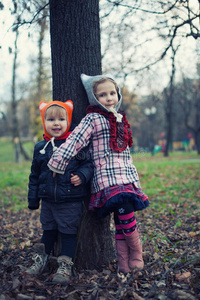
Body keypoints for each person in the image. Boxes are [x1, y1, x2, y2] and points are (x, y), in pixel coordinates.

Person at [48, 74, 149, 274]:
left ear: (118, 94)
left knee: (121, 219)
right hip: (107, 178)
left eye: (112, 93)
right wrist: (57, 162)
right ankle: (136, 251)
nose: (109, 98)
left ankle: (123, 262)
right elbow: (75, 140)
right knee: (124, 210)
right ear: (94, 99)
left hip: (126, 176)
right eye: (102, 95)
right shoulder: (92, 118)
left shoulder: (120, 117)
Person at [26, 100, 93, 283]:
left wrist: (81, 175)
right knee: (48, 231)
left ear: (68, 121)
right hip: (47, 201)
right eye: (51, 119)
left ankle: (65, 266)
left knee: (67, 233)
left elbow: (88, 164)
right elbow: (35, 175)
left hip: (70, 199)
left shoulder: (75, 144)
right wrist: (33, 199)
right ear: (44, 122)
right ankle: (41, 260)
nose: (56, 123)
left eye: (61, 119)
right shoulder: (40, 148)